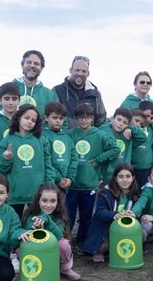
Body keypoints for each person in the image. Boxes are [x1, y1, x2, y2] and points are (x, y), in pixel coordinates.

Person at [66, 103, 120, 246]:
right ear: (76, 119)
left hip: (90, 183)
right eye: (80, 118)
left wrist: (98, 159)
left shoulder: (100, 135)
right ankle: (66, 242)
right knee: (68, 215)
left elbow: (116, 149)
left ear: (92, 118)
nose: (83, 120)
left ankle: (82, 241)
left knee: (87, 216)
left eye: (87, 117)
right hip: (72, 183)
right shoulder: (70, 134)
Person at [0, 103, 54, 220]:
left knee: (36, 225)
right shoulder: (8, 140)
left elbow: (48, 164)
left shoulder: (41, 140)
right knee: (14, 224)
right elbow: (1, 168)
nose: (30, 122)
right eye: (27, 118)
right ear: (18, 118)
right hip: (15, 193)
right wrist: (6, 158)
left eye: (33, 120)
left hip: (37, 193)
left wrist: (50, 184)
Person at [82, 163, 140, 263]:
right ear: (116, 178)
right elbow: (100, 212)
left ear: (133, 178)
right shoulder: (105, 192)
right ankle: (100, 252)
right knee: (103, 245)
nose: (124, 180)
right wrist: (115, 215)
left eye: (128, 176)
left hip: (125, 228)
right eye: (121, 177)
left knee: (142, 233)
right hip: (105, 229)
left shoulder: (135, 192)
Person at [24, 184, 81, 281]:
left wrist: (47, 221)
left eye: (53, 201)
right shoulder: (31, 215)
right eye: (44, 200)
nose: (48, 205)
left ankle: (65, 269)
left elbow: (59, 236)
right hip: (37, 255)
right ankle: (33, 270)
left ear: (58, 202)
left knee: (64, 244)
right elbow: (26, 231)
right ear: (38, 201)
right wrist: (35, 227)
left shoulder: (60, 217)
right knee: (20, 247)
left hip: (54, 254)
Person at [0, 50, 59, 118]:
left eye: (36, 64)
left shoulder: (50, 95)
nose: (32, 65)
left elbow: (59, 122)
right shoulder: (5, 89)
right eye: (29, 62)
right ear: (22, 65)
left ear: (41, 68)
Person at [52, 55, 107, 129]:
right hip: (65, 138)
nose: (80, 74)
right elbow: (51, 118)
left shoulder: (95, 95)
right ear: (71, 70)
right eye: (77, 70)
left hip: (88, 139)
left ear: (88, 73)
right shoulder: (57, 91)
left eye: (83, 71)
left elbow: (101, 122)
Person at [100, 107, 146, 178]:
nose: (121, 124)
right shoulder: (103, 132)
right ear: (112, 119)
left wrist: (131, 128)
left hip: (124, 176)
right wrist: (100, 177)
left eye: (125, 123)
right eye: (119, 120)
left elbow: (143, 138)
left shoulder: (128, 135)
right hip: (107, 176)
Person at [43, 102, 78, 191]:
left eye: (61, 118)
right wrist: (58, 179)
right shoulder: (42, 136)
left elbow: (74, 159)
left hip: (65, 183)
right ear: (46, 118)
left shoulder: (67, 138)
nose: (58, 121)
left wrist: (70, 178)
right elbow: (45, 161)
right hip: (48, 183)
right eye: (54, 118)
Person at [130, 101, 153, 186]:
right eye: (147, 116)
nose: (149, 119)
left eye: (151, 118)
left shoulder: (152, 129)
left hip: (146, 169)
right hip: (132, 168)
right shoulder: (132, 127)